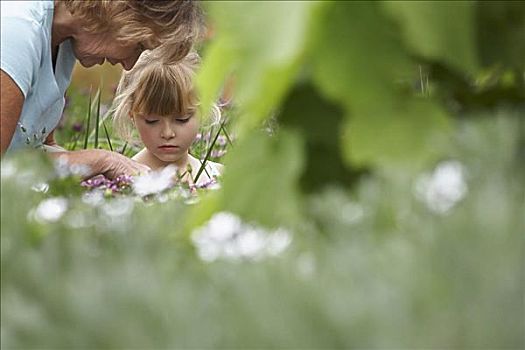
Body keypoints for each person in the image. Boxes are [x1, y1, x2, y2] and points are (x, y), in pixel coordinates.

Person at [1, 0, 202, 178]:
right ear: (121, 9)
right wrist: (101, 160)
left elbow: (34, 151)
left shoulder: (63, 45)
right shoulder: (16, 30)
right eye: (139, 45)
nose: (130, 65)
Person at [112, 50, 223, 186]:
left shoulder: (219, 177)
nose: (167, 133)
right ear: (132, 116)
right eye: (151, 121)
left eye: (182, 119)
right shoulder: (124, 182)